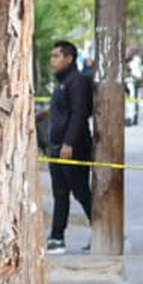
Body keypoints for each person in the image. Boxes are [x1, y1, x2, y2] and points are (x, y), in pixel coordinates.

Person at [41, 41, 94, 254]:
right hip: (57, 146)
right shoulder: (62, 82)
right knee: (60, 193)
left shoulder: (77, 82)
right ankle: (56, 237)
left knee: (81, 191)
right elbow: (60, 111)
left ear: (69, 58)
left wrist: (69, 142)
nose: (53, 60)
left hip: (73, 147)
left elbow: (78, 114)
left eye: (57, 56)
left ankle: (102, 229)